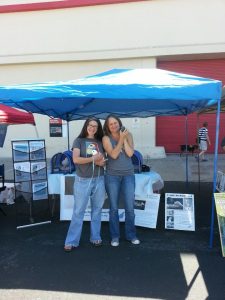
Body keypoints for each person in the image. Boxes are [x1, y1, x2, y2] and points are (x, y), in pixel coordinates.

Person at [64, 118, 106, 251]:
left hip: (99, 179)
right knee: (78, 211)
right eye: (90, 125)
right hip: (83, 180)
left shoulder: (100, 141)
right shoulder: (79, 141)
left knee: (97, 210)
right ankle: (71, 241)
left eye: (95, 126)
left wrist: (100, 162)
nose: (92, 128)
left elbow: (103, 161)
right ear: (86, 126)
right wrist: (93, 159)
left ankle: (95, 237)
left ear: (98, 128)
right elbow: (76, 159)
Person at [102, 114, 140, 247]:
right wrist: (121, 139)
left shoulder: (128, 135)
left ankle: (131, 235)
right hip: (112, 176)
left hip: (128, 175)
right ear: (107, 126)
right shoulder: (106, 138)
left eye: (115, 123)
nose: (113, 125)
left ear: (119, 123)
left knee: (130, 207)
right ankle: (115, 236)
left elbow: (130, 154)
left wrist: (124, 138)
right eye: (110, 124)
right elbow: (113, 154)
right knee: (113, 208)